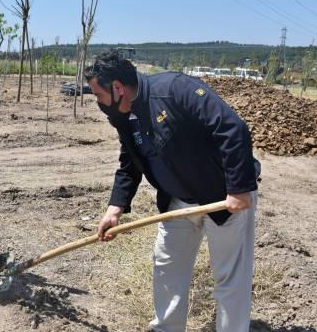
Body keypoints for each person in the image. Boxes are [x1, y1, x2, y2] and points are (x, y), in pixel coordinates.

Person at [84, 51, 260, 331]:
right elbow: (130, 162)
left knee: (229, 278)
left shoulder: (175, 90)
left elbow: (232, 128)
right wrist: (115, 208)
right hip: (178, 201)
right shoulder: (124, 116)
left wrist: (239, 188)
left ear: (117, 88)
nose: (98, 103)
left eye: (98, 95)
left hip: (222, 199)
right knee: (166, 265)